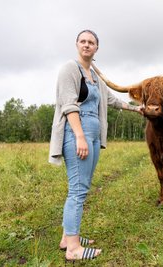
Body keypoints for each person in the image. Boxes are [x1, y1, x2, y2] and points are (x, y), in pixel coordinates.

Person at [48, 29, 142, 262]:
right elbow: (68, 105)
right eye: (83, 41)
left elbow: (111, 100)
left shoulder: (95, 76)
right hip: (76, 132)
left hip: (94, 135)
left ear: (97, 48)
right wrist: (79, 136)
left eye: (91, 42)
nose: (87, 45)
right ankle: (73, 249)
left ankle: (67, 237)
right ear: (77, 44)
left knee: (83, 186)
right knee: (77, 190)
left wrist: (135, 108)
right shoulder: (70, 69)